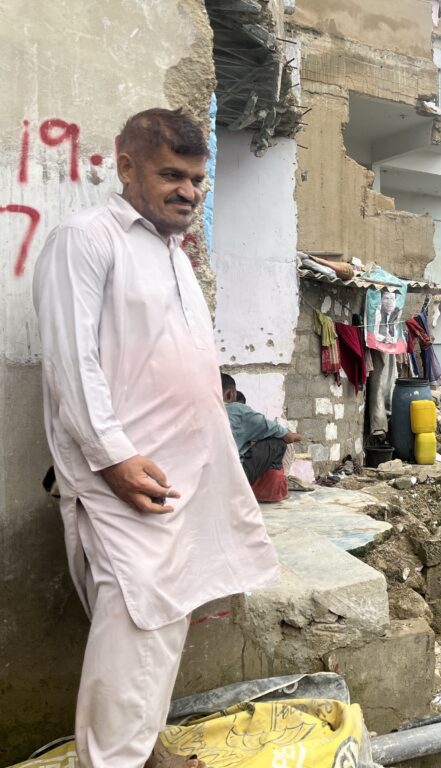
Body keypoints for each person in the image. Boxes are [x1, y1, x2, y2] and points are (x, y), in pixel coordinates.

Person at [32, 108, 279, 768]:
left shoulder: (173, 255)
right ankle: (112, 761)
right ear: (126, 167)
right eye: (172, 175)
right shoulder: (86, 238)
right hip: (125, 473)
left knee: (164, 619)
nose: (188, 191)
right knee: (137, 622)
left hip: (182, 473)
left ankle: (145, 752)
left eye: (197, 180)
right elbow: (70, 360)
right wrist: (112, 456)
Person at [221, 373, 301, 484]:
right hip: (231, 477)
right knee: (277, 443)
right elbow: (287, 436)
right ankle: (272, 489)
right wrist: (300, 436)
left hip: (202, 476)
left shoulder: (197, 411)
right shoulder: (238, 410)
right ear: (230, 394)